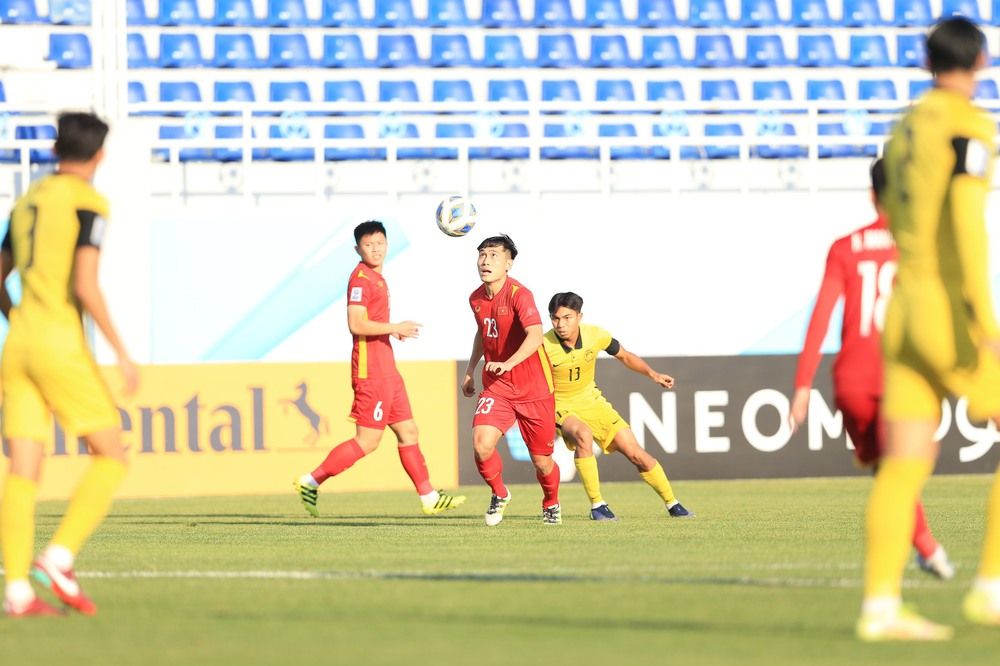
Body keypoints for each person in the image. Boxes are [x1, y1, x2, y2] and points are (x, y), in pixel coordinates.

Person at [856, 17, 1000, 641]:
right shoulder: (969, 127)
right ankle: (990, 590)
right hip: (945, 308)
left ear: (927, 61)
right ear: (981, 61)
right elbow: (969, 225)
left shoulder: (906, 125)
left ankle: (881, 608)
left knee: (907, 460)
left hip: (903, 309)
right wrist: (986, 318)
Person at [0, 112, 139, 617]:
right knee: (110, 455)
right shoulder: (90, 203)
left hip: (16, 346)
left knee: (22, 470)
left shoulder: (27, 200)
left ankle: (16, 592)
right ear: (99, 156)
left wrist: (19, 320)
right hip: (59, 344)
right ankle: (58, 558)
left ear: (57, 151)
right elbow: (85, 284)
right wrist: (122, 353)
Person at [789, 159, 953, 581]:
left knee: (888, 471)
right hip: (899, 380)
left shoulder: (844, 247)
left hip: (850, 382)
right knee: (901, 470)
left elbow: (821, 318)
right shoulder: (921, 245)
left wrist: (803, 385)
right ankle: (888, 591)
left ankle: (928, 550)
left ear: (871, 195)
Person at [294, 221, 465, 518]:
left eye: (380, 243)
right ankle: (310, 481)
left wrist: (391, 332)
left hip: (388, 370)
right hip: (371, 371)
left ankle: (428, 497)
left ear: (387, 245)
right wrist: (394, 327)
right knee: (368, 441)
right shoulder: (360, 279)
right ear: (358, 249)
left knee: (409, 431)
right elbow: (355, 324)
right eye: (369, 244)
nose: (376, 248)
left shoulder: (377, 278)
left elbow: (370, 322)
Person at [544, 292, 693, 521]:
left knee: (637, 454)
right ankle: (597, 506)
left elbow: (625, 356)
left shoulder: (596, 335)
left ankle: (673, 504)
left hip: (593, 402)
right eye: (555, 318)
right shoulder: (543, 345)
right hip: (560, 406)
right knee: (583, 434)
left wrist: (653, 374)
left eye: (567, 317)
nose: (561, 324)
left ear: (579, 316)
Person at [461, 234, 560, 525]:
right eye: (482, 254)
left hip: (534, 387)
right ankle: (500, 493)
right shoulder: (475, 298)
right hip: (497, 386)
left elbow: (535, 334)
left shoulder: (520, 294)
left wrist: (509, 362)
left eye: (494, 255)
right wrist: (470, 370)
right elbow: (483, 332)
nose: (485, 260)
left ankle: (551, 502)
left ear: (509, 263)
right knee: (481, 444)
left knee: (542, 462)